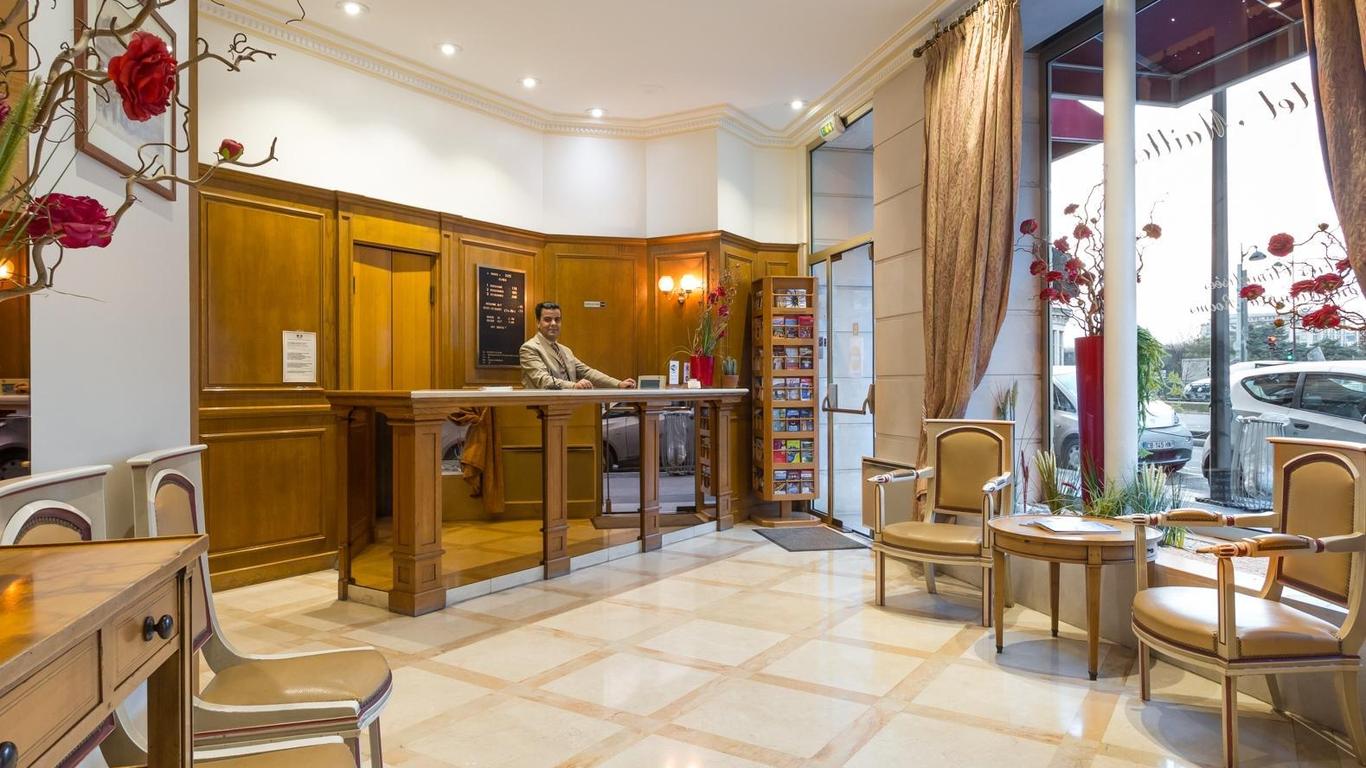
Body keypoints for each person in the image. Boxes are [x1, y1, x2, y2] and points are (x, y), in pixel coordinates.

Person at [520, 301, 636, 390]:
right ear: (538, 323)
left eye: (557, 319)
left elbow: (587, 372)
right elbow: (543, 380)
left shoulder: (565, 351)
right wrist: (574, 386)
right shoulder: (529, 348)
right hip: (540, 410)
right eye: (547, 319)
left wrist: (618, 384)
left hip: (566, 408)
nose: (553, 323)